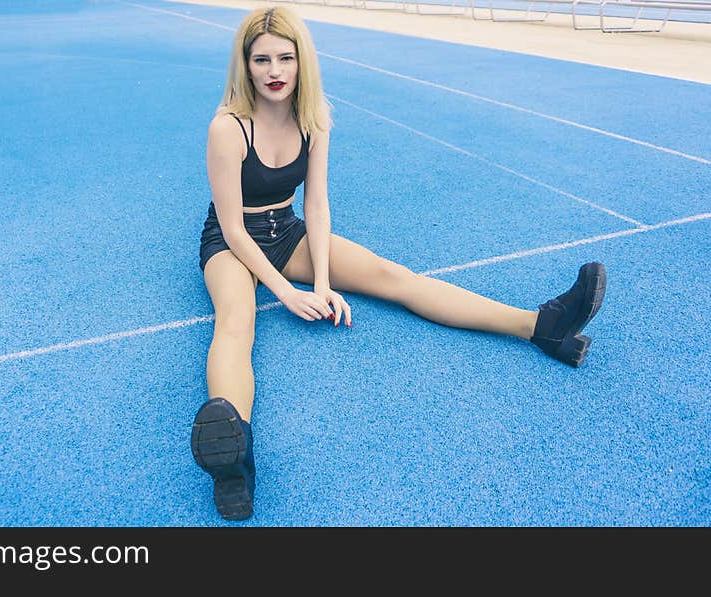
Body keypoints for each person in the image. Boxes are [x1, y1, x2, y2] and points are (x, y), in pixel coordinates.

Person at [190, 5, 606, 521]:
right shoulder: (227, 128)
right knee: (237, 320)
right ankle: (235, 456)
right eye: (261, 60)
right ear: (245, 66)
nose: (274, 71)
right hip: (231, 246)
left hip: (287, 232)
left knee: (395, 278)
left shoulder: (313, 120)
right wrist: (287, 292)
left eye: (285, 58)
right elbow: (232, 228)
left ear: (302, 63)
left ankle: (542, 327)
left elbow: (316, 206)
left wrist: (320, 281)